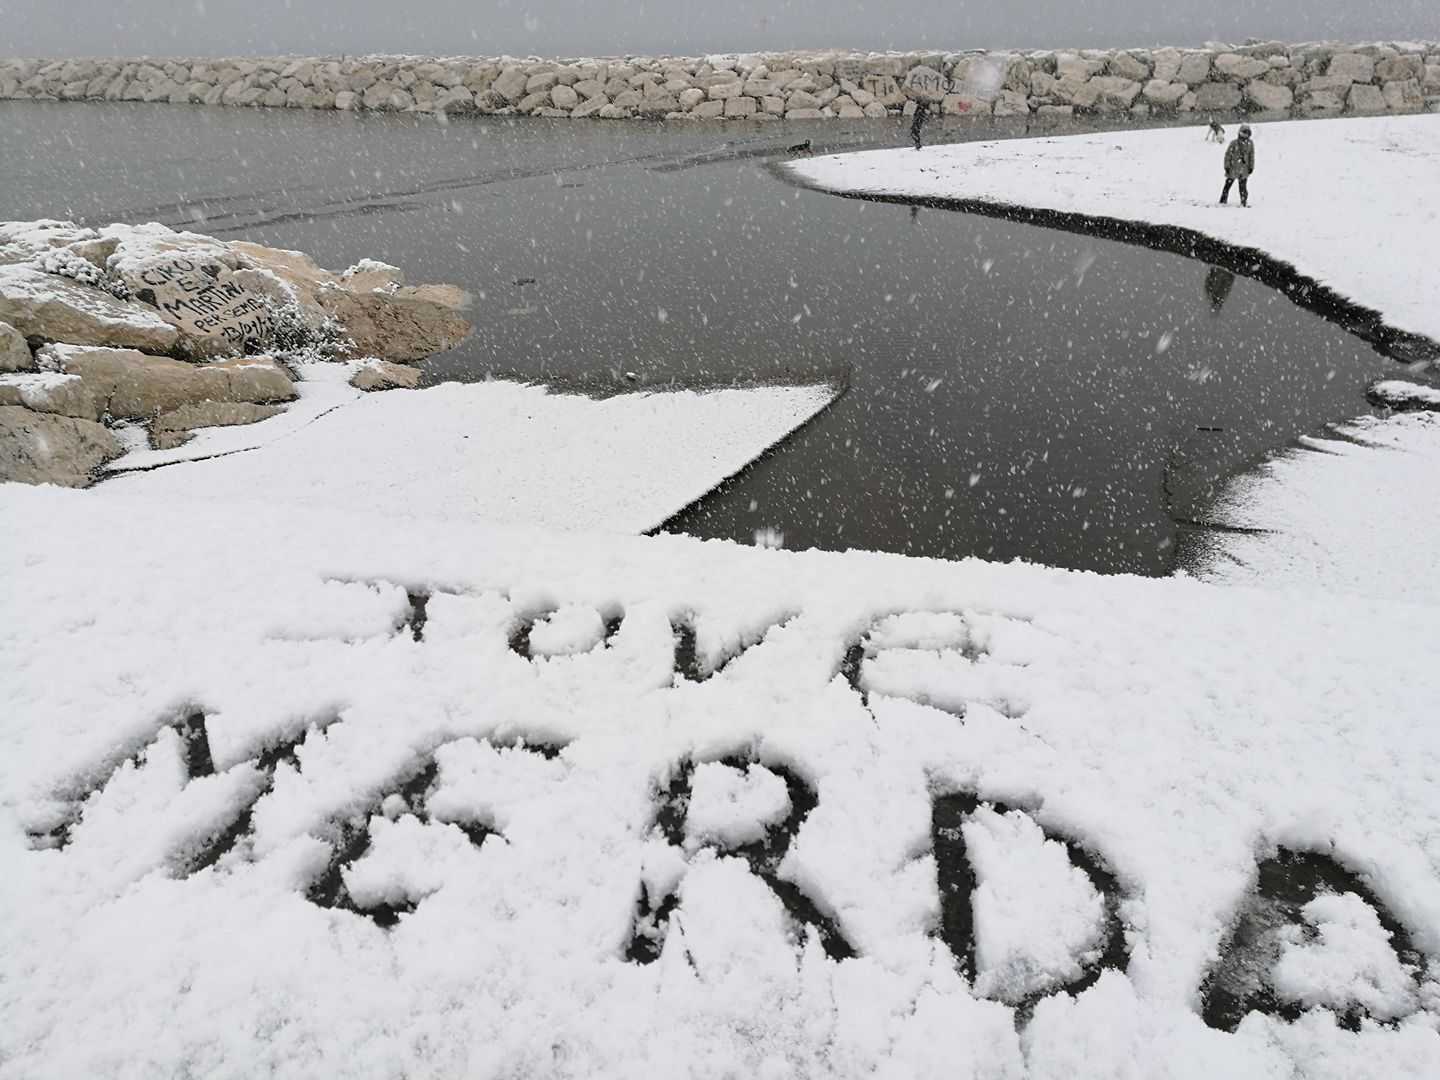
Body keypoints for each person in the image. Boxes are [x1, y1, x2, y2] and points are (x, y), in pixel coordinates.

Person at [1220, 124, 1255, 207]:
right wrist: (1227, 166)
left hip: (1244, 169)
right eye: (1244, 132)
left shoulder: (1250, 143)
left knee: (1243, 187)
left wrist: (1251, 167)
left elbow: (1251, 156)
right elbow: (1227, 155)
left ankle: (1243, 202)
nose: (1245, 135)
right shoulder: (1234, 143)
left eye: (1247, 133)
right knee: (1227, 185)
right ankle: (1223, 200)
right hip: (1233, 168)